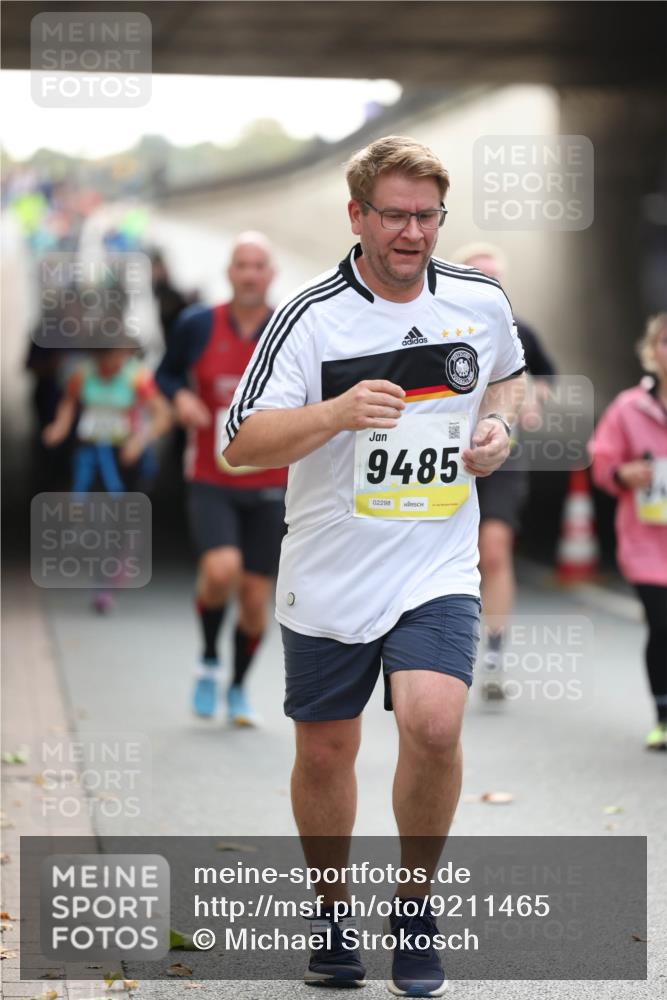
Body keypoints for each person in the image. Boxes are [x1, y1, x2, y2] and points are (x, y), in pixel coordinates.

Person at [222, 137, 526, 996]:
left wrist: (500, 429)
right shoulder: (309, 317)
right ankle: (330, 914)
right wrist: (335, 412)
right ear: (356, 215)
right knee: (327, 752)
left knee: (433, 725)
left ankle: (415, 909)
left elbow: (508, 378)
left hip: (435, 562)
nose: (412, 233)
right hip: (329, 571)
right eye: (394, 215)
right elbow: (240, 442)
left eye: (427, 216)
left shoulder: (479, 300)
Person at [155, 233, 287, 726]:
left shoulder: (289, 327)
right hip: (211, 475)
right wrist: (180, 398)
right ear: (229, 273)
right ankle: (209, 660)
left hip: (272, 480)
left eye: (259, 265)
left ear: (271, 274)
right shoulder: (197, 324)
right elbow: (165, 374)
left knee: (254, 598)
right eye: (241, 265)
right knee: (219, 571)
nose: (250, 274)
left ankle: (237, 688)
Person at [453, 243, 556, 699]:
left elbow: (546, 378)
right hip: (445, 459)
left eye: (494, 277)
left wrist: (532, 399)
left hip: (502, 456)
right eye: (478, 275)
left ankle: (493, 653)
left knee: (493, 550)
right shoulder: (439, 325)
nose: (487, 284)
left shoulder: (519, 331)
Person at [42, 341, 171, 611]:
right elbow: (69, 403)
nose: (115, 361)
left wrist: (139, 441)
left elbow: (162, 415)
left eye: (120, 355)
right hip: (92, 456)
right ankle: (102, 582)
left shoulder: (137, 377)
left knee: (124, 521)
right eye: (109, 355)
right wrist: (59, 427)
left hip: (126, 458)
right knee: (97, 519)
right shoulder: (83, 374)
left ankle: (121, 559)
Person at [588, 313, 667, 751]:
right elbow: (601, 459)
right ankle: (664, 716)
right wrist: (623, 473)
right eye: (666, 341)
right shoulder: (628, 408)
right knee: (663, 624)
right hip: (648, 543)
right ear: (652, 351)